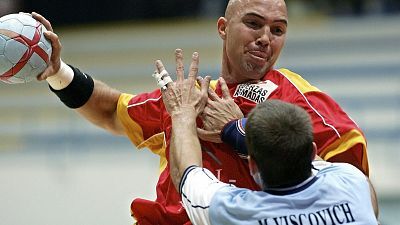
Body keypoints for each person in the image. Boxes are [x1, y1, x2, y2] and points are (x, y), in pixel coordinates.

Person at [32, 0, 369, 223]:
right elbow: (109, 111)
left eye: (277, 30)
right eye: (254, 24)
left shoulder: (300, 101)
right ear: (223, 27)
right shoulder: (186, 99)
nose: (266, 38)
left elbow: (355, 197)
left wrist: (241, 131)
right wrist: (59, 72)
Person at [157, 59, 378, 224]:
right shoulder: (351, 183)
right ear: (312, 152)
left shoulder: (237, 212)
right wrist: (238, 130)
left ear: (252, 164)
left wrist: (182, 113)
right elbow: (369, 200)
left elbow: (185, 174)